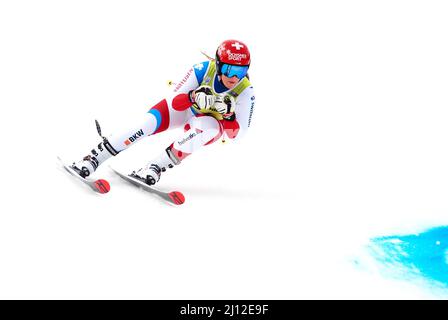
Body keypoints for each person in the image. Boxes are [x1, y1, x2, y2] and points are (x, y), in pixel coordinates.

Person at [70, 39, 255, 186]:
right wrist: (193, 96)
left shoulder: (246, 92)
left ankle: (155, 167)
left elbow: (237, 136)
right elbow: (175, 101)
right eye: (229, 70)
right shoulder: (203, 70)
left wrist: (229, 116)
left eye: (241, 71)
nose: (234, 77)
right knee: (146, 123)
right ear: (218, 64)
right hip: (184, 110)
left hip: (205, 122)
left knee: (210, 128)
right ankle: (93, 158)